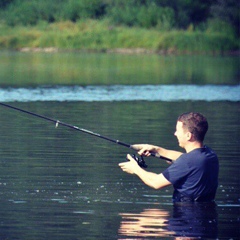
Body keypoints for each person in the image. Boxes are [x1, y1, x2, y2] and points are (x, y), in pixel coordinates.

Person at [119, 112, 219, 202]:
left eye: (177, 131)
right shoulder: (210, 155)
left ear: (188, 136)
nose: (175, 134)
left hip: (184, 218)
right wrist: (156, 149)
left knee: (140, 221)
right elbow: (184, 158)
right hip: (205, 215)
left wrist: (135, 168)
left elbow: (155, 182)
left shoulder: (187, 162)